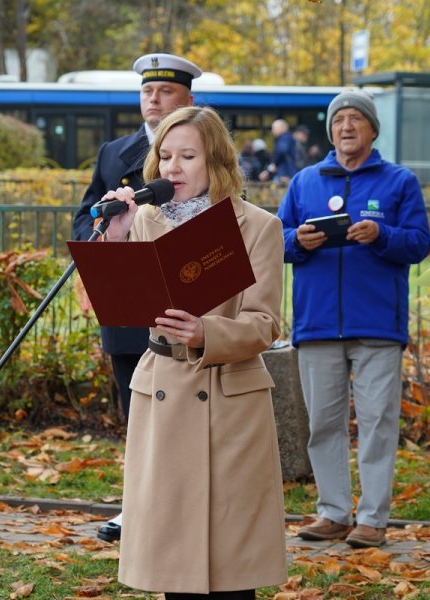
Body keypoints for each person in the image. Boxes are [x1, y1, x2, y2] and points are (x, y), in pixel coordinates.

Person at [101, 105, 286, 598]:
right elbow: (122, 303)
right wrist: (115, 239)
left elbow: (266, 324)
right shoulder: (144, 218)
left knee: (230, 571)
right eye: (165, 156)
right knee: (173, 563)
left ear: (216, 161)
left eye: (187, 156)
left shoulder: (259, 227)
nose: (172, 168)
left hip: (229, 402)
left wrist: (206, 332)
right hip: (163, 392)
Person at [276, 90, 430, 548]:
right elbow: (277, 240)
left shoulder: (399, 181)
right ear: (330, 130)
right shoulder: (304, 182)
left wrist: (382, 234)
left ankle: (372, 519)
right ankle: (333, 513)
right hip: (318, 324)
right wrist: (297, 241)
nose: (347, 127)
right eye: (339, 120)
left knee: (377, 423)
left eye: (356, 120)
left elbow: (420, 243)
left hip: (378, 325)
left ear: (372, 129)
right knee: (323, 424)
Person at [72, 52, 201, 543]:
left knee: (186, 408)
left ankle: (182, 503)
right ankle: (137, 505)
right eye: (147, 91)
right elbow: (87, 214)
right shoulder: (115, 152)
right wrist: (105, 232)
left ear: (187, 100)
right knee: (136, 405)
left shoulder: (206, 150)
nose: (154, 99)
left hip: (186, 295)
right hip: (130, 294)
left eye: (165, 91)